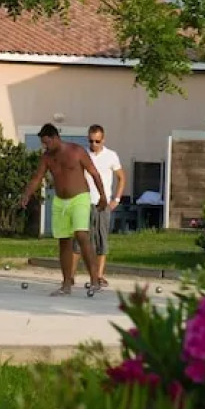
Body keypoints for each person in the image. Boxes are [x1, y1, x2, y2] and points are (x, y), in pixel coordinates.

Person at [17, 124, 108, 296]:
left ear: (55, 138)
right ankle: (66, 283)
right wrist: (27, 194)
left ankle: (95, 279)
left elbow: (94, 173)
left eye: (47, 142)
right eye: (43, 143)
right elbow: (37, 178)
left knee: (81, 235)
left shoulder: (76, 151)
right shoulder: (46, 157)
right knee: (64, 241)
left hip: (80, 198)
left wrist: (103, 196)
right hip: (60, 201)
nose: (45, 146)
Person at [85, 124, 125, 291]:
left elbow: (121, 177)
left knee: (102, 240)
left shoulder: (111, 156)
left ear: (103, 140)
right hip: (85, 203)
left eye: (97, 141)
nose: (94, 144)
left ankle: (99, 275)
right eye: (91, 141)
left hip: (102, 204)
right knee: (84, 241)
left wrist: (116, 199)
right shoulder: (84, 155)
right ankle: (84, 274)